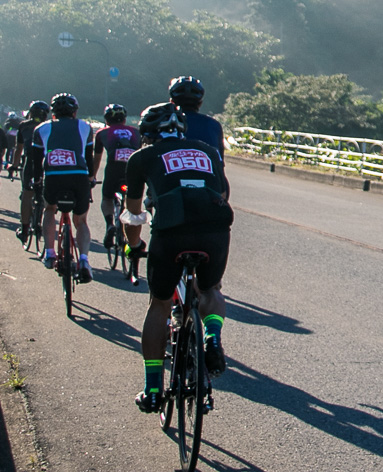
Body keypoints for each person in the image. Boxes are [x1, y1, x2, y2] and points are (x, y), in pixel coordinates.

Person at [125, 102, 232, 413]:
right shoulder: (207, 151)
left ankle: (153, 389)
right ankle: (212, 335)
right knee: (211, 289)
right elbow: (223, 193)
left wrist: (134, 245)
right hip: (215, 228)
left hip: (171, 233)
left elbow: (133, 215)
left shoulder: (142, 157)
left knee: (159, 304)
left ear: (147, 133)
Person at [30, 93, 95, 282]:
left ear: (53, 113)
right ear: (75, 112)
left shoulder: (41, 129)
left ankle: (49, 253)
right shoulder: (85, 127)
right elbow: (89, 158)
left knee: (49, 210)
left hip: (53, 177)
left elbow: (36, 162)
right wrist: (90, 179)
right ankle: (84, 260)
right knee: (81, 221)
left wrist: (36, 181)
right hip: (79, 177)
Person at [89, 103, 141, 249]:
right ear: (124, 119)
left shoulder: (102, 133)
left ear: (107, 120)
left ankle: (110, 224)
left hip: (114, 166)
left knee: (107, 197)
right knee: (132, 199)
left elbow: (97, 159)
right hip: (132, 167)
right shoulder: (136, 132)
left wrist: (92, 177)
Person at [10, 100, 50, 245]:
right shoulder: (49, 126)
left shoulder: (23, 126)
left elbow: (18, 149)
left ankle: (24, 229)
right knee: (48, 195)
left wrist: (14, 165)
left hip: (30, 163)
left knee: (27, 194)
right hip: (48, 162)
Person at [168, 76, 225, 157]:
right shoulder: (214, 125)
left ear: (172, 102)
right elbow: (220, 164)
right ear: (200, 103)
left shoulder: (163, 123)